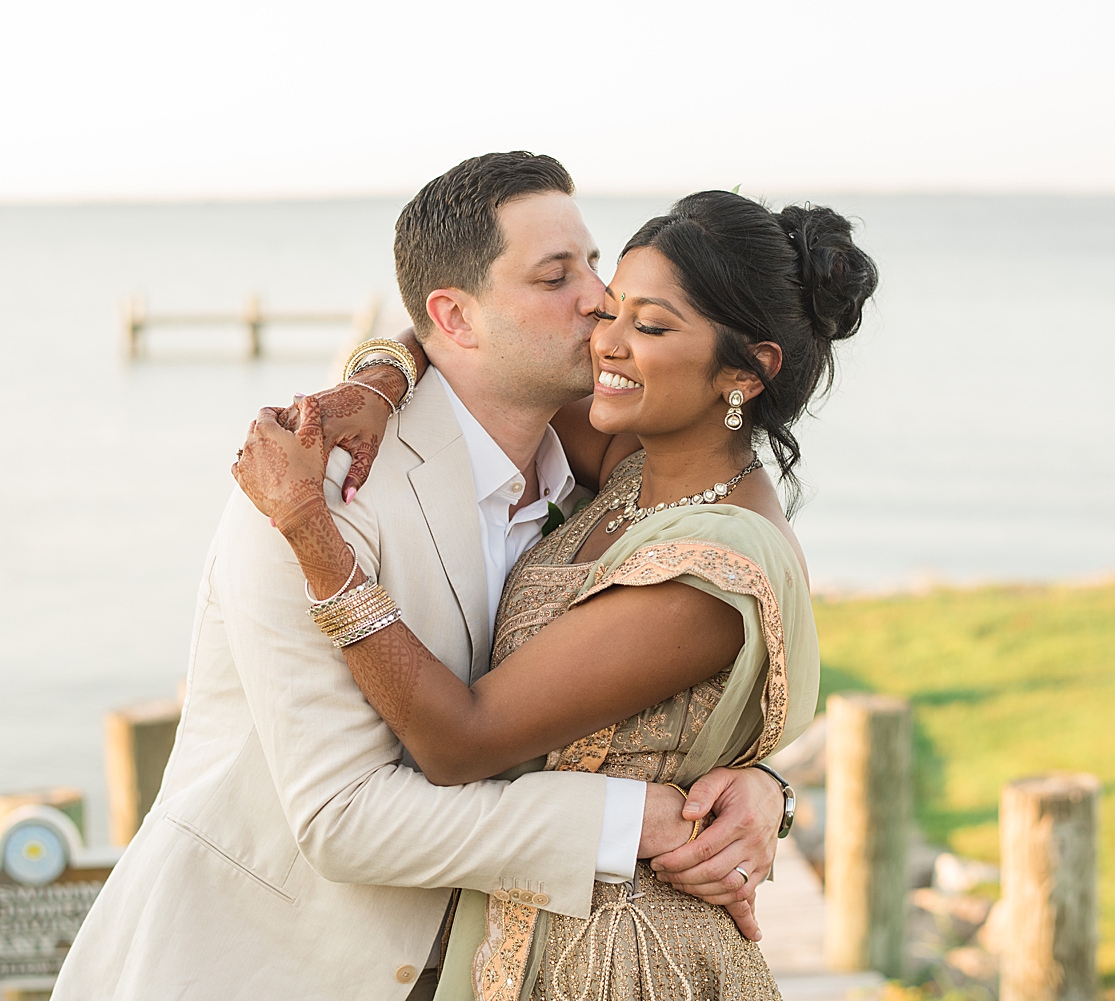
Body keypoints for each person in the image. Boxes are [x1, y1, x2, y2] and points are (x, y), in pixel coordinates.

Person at [53, 153, 793, 1001]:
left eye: (594, 264)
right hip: (242, 968)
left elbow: (648, 678)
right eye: (557, 275)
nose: (599, 298)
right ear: (455, 315)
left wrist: (761, 787)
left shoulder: (596, 479)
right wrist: (635, 823)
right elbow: (344, 818)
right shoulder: (313, 487)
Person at [235, 184, 877, 998]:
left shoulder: (708, 569)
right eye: (611, 308)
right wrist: (381, 377)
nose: (604, 341)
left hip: (627, 960)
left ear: (747, 372)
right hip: (540, 921)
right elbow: (476, 348)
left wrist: (310, 534)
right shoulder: (634, 465)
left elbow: (460, 742)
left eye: (649, 327)